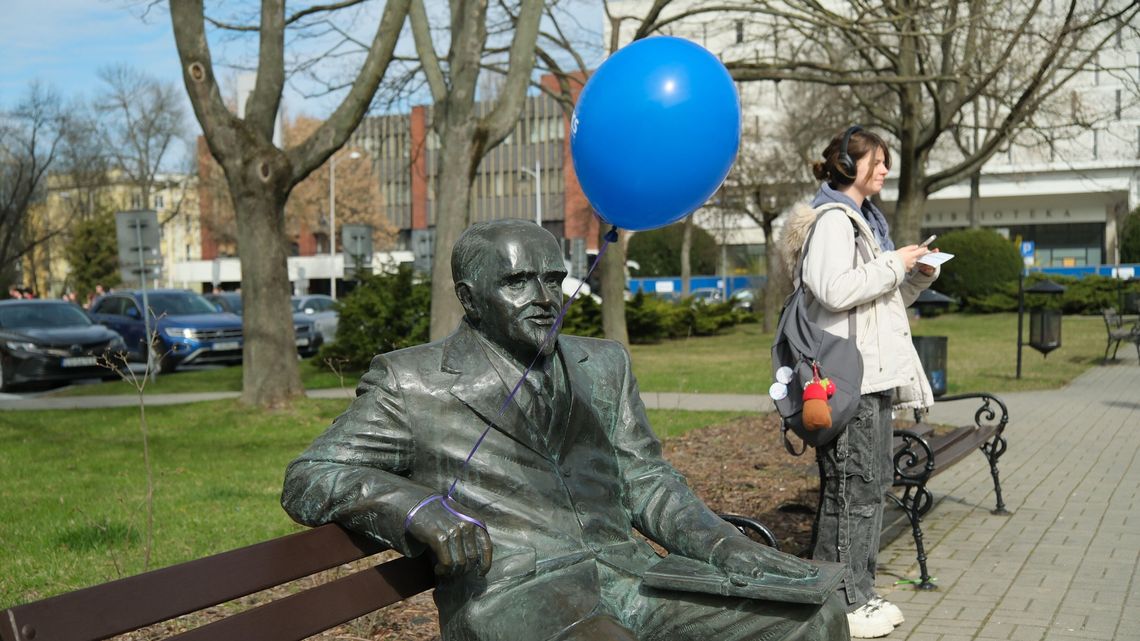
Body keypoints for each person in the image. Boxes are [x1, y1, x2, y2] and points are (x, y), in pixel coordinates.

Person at [283, 219, 847, 641]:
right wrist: (414, 508)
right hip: (514, 595)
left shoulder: (603, 364)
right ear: (469, 299)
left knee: (814, 617)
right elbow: (311, 475)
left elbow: (646, 479)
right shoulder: (412, 382)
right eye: (518, 282)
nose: (545, 298)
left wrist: (728, 548)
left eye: (553, 279)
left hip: (633, 577)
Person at [779, 126, 939, 638]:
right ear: (849, 166)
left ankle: (855, 593)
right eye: (878, 161)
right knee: (854, 490)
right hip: (849, 378)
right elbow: (832, 290)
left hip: (869, 376)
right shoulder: (834, 221)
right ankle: (846, 602)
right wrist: (895, 263)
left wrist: (914, 276)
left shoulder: (866, 223)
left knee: (867, 487)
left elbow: (875, 302)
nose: (886, 169)